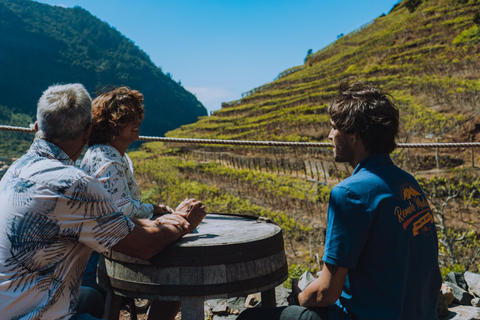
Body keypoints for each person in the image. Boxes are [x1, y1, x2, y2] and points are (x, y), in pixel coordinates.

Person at [237, 79, 442, 320]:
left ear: (354, 135)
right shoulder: (408, 182)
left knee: (247, 319)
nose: (330, 135)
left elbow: (326, 293)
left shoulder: (349, 193)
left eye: (334, 127)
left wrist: (297, 300)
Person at [0, 83, 206, 320]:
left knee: (92, 299)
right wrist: (183, 222)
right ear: (87, 132)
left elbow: (114, 220)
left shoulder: (16, 169)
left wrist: (159, 221)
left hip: (7, 306)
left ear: (37, 128)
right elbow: (144, 246)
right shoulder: (74, 183)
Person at [79, 86, 185, 319]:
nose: (136, 120)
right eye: (127, 117)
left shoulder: (110, 155)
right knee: (175, 275)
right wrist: (154, 210)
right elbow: (123, 209)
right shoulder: (108, 160)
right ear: (110, 125)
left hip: (101, 248)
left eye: (137, 115)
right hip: (101, 259)